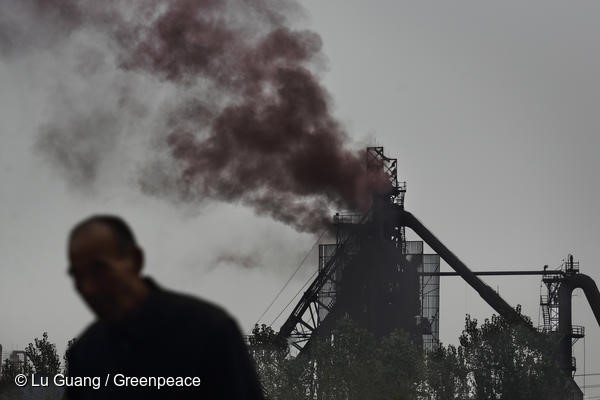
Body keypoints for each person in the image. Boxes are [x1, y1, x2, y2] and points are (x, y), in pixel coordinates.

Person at [65, 215, 265, 399]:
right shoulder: (84, 354)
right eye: (78, 276)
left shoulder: (209, 330)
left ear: (135, 260)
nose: (88, 288)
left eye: (99, 269)